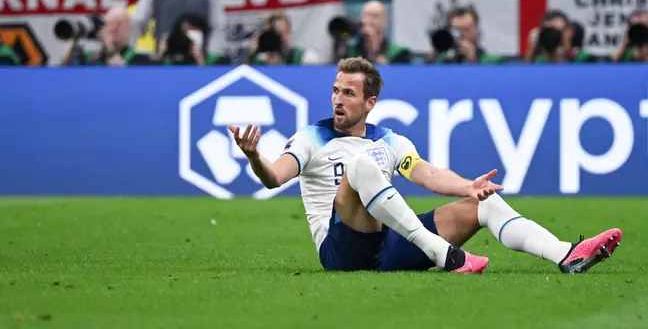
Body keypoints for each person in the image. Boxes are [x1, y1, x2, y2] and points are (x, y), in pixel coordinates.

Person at [228, 58, 622, 274]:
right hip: (341, 251)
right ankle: (441, 253)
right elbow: (273, 177)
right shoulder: (311, 137)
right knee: (362, 168)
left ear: (370, 104)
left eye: (349, 93)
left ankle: (565, 254)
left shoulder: (390, 140)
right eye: (335, 90)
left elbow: (429, 175)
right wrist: (253, 156)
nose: (338, 99)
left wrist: (469, 186)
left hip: (390, 243)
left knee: (482, 204)